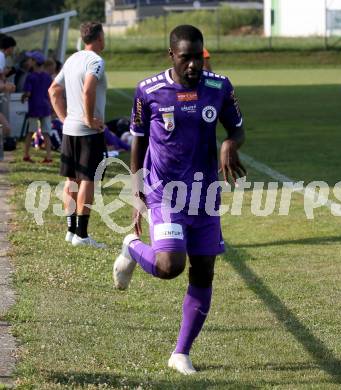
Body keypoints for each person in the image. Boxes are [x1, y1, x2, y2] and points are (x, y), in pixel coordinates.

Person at [113, 25, 246, 374]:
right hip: (165, 192)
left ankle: (181, 353)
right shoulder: (148, 91)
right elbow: (138, 139)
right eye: (185, 58)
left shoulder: (219, 87)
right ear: (171, 55)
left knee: (203, 271)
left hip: (204, 195)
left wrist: (230, 143)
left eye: (197, 57)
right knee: (170, 266)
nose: (193, 66)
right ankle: (132, 247)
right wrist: (136, 185)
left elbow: (237, 128)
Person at [48, 21, 107, 248]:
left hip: (69, 129)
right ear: (99, 37)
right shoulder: (96, 61)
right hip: (87, 132)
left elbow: (53, 90)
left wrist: (64, 119)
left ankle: (71, 231)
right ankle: (82, 236)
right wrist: (89, 119)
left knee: (70, 180)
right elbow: (88, 89)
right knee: (87, 180)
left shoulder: (72, 59)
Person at [21, 51, 53, 163]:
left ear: (34, 62)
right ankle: (48, 157)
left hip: (34, 107)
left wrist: (23, 97)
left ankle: (26, 155)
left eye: (30, 60)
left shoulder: (30, 77)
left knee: (30, 132)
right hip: (45, 107)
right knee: (46, 132)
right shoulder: (47, 77)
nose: (28, 61)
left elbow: (28, 93)